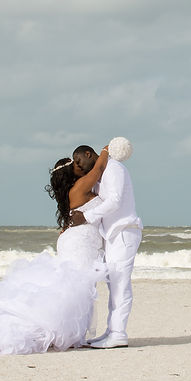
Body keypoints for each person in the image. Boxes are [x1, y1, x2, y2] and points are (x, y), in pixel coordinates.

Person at [0, 147, 110, 355]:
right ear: (70, 174)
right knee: (77, 289)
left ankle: (74, 335)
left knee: (76, 288)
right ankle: (69, 335)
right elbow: (99, 169)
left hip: (78, 241)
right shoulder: (80, 186)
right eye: (74, 164)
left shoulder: (75, 191)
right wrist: (108, 148)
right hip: (79, 242)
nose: (78, 165)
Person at [68, 144, 142, 349]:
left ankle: (118, 334)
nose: (78, 165)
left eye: (78, 160)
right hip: (112, 235)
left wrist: (87, 216)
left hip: (125, 231)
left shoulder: (114, 168)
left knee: (120, 285)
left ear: (88, 154)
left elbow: (115, 201)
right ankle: (111, 331)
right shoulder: (100, 175)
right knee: (113, 284)